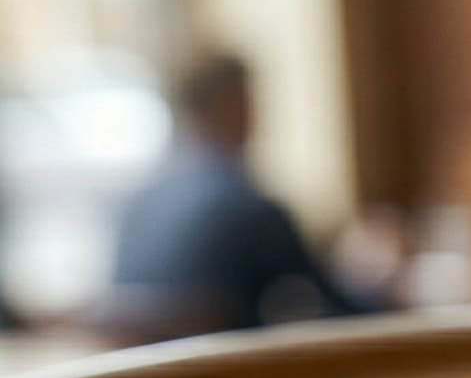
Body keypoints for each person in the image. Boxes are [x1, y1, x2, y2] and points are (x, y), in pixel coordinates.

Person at [100, 52, 366, 344]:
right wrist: (381, 282)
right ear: (235, 107)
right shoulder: (250, 210)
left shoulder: (137, 203)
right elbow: (342, 312)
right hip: (228, 377)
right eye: (251, 101)